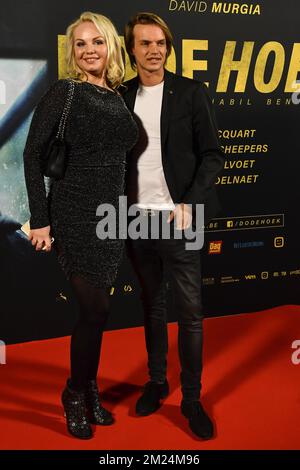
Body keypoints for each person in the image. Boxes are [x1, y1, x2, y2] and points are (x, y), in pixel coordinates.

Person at [23, 11, 137, 439]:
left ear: (110, 46)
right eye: (80, 44)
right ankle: (74, 392)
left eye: (97, 42)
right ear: (73, 52)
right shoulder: (65, 92)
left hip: (112, 217)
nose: (89, 50)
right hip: (73, 210)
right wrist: (41, 220)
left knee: (98, 313)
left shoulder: (120, 97)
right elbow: (32, 155)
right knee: (96, 308)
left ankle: (89, 388)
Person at [122, 12, 225, 439]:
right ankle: (158, 381)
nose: (154, 50)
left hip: (180, 220)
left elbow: (213, 155)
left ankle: (193, 399)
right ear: (132, 49)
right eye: (145, 43)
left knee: (191, 315)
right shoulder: (119, 95)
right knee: (152, 307)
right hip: (136, 221)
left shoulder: (190, 93)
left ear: (168, 46)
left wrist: (188, 204)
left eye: (160, 43)